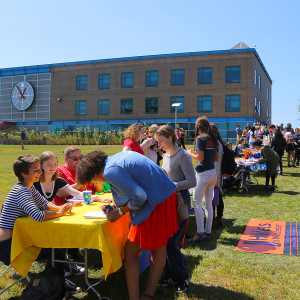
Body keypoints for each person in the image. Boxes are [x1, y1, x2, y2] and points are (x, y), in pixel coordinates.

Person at [76, 150, 179, 300]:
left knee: (133, 251)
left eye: (92, 181)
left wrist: (120, 212)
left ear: (93, 173)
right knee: (158, 248)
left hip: (155, 202)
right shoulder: (115, 158)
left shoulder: (110, 171)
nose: (95, 183)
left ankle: (143, 296)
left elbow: (139, 197)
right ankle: (146, 294)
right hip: (164, 196)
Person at [0, 155, 78, 294]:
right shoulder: (21, 191)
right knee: (57, 248)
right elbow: (38, 215)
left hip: (19, 240)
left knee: (56, 244)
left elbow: (44, 203)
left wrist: (62, 208)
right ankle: (56, 284)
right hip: (8, 247)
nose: (40, 173)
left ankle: (56, 282)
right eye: (36, 170)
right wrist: (60, 212)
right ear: (24, 173)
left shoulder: (27, 188)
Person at [154, 125, 196, 292]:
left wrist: (172, 186)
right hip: (167, 203)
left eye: (161, 141)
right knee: (167, 242)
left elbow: (192, 182)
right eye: (157, 142)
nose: (159, 145)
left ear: (170, 138)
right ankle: (171, 275)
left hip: (180, 203)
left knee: (173, 243)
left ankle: (182, 279)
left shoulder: (183, 156)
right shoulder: (165, 156)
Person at [187, 116, 220, 242]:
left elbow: (199, 158)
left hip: (203, 174)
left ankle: (200, 233)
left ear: (198, 127)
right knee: (208, 204)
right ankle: (208, 232)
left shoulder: (200, 139)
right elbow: (217, 158)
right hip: (212, 173)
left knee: (196, 202)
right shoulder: (213, 139)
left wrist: (190, 153)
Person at [210, 124, 224, 228]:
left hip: (215, 175)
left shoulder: (215, 143)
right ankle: (215, 218)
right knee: (215, 198)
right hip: (216, 175)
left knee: (216, 198)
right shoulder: (218, 142)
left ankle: (217, 219)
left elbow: (216, 162)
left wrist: (215, 177)